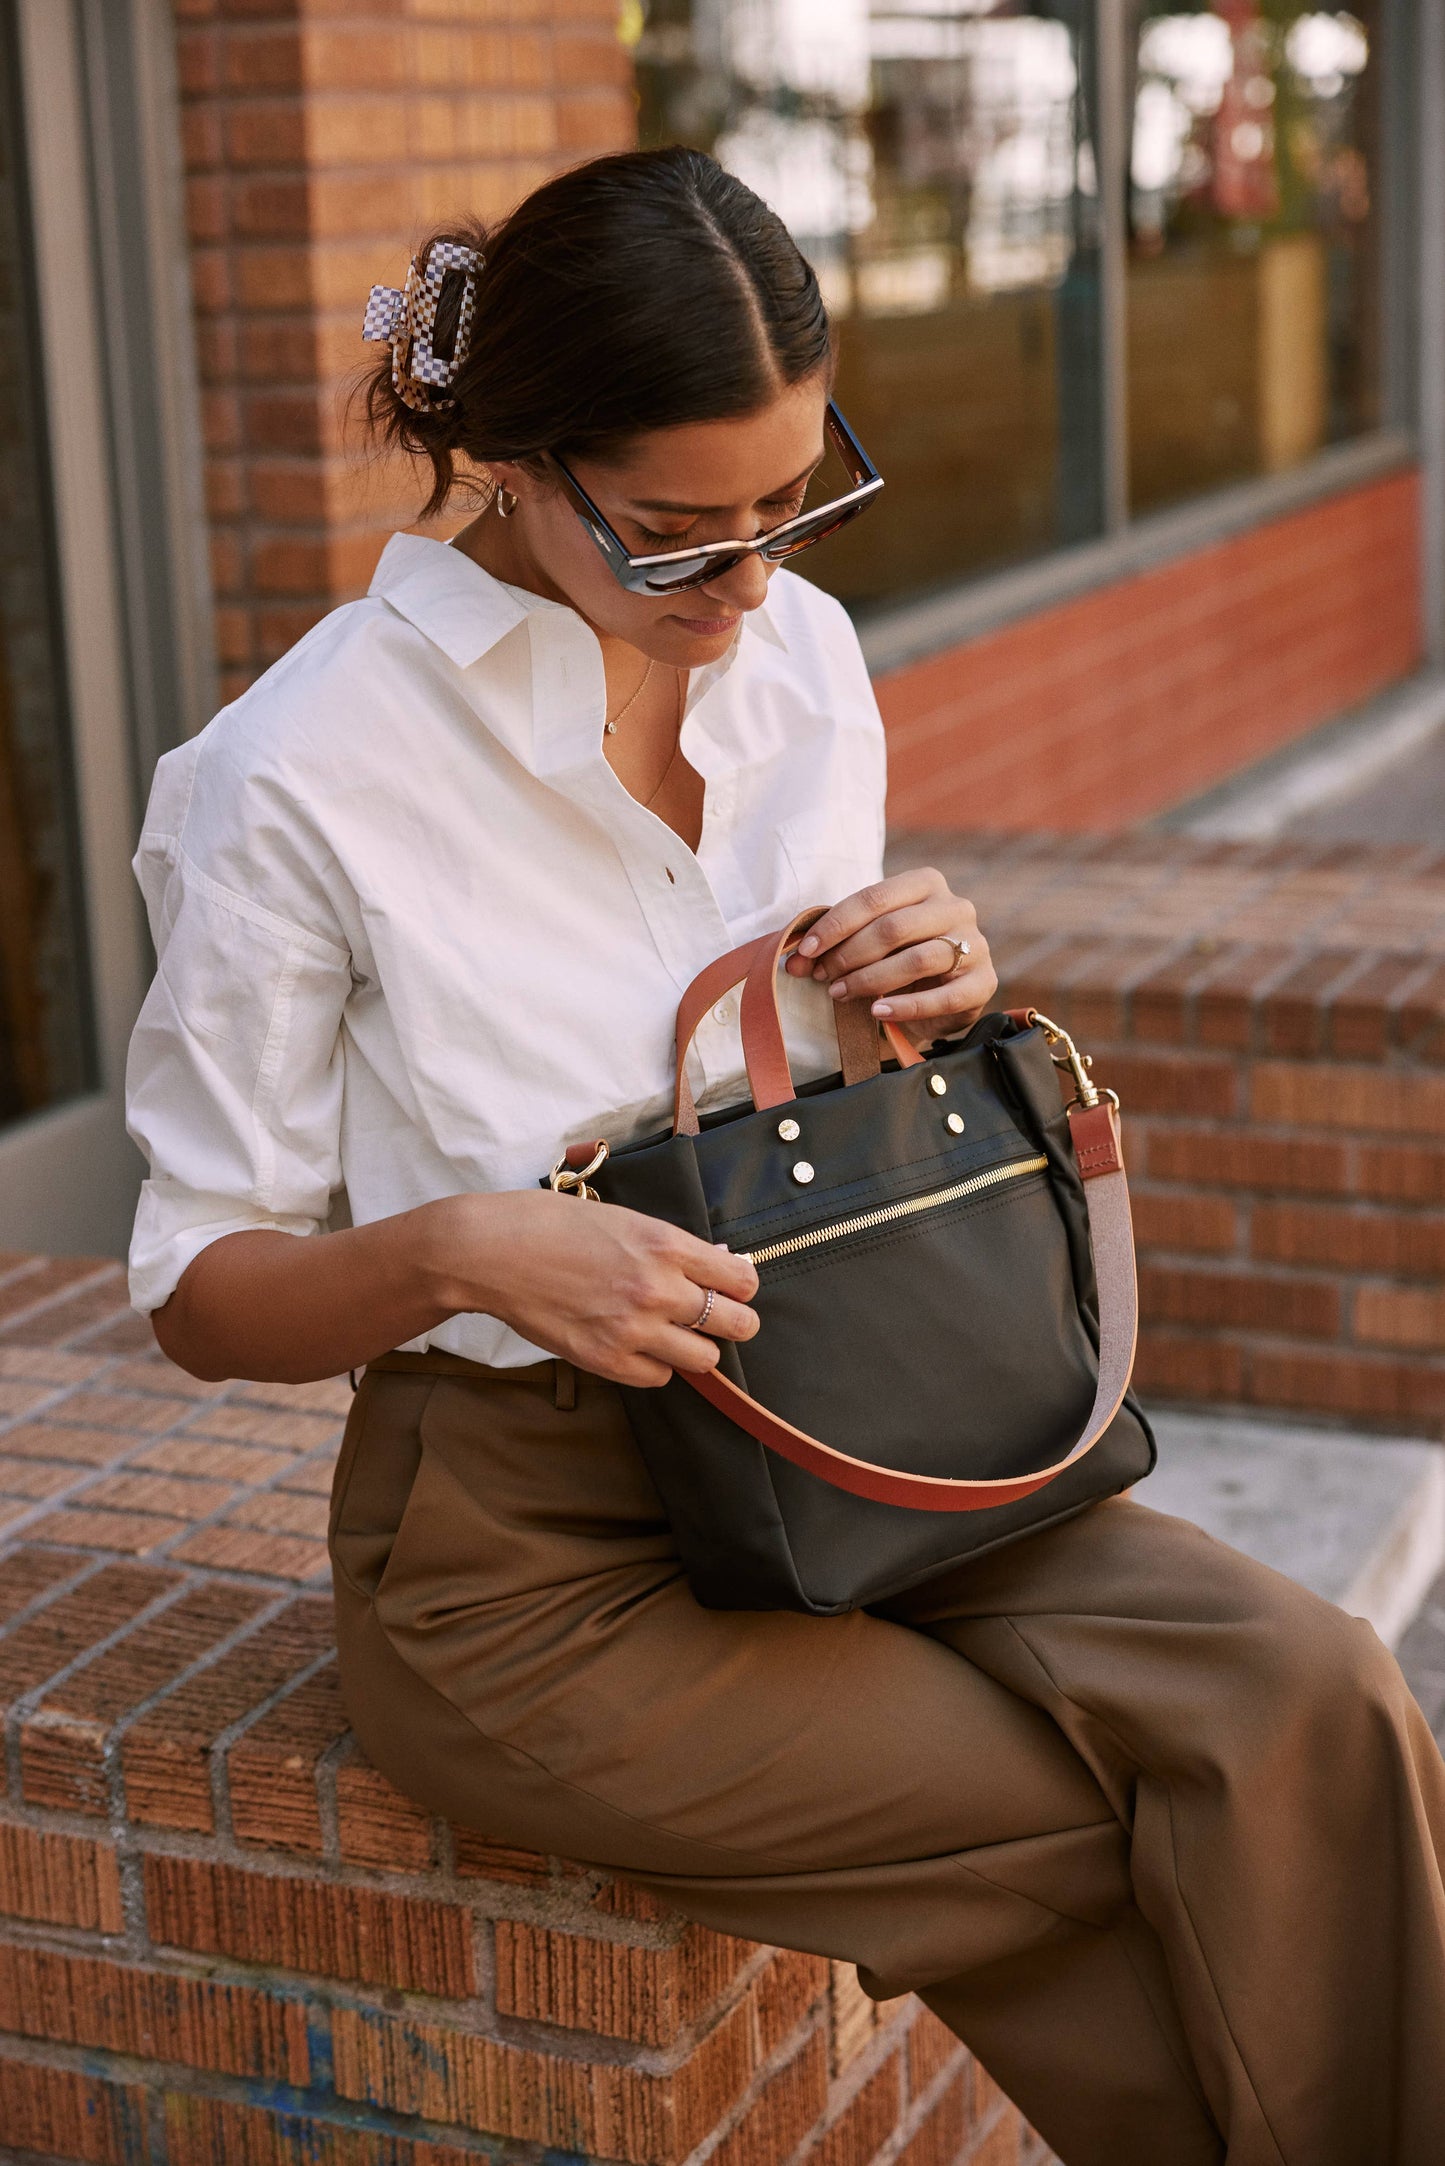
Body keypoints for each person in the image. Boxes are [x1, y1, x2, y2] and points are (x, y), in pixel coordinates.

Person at [126, 147, 1445, 2166]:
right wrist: (468, 1250)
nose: (747, 589)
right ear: (516, 462)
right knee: (1107, 1803)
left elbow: (824, 1087)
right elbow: (199, 1289)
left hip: (864, 1431)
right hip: (533, 1550)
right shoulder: (291, 779)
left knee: (1317, 1697)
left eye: (791, 506)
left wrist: (923, 990)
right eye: (675, 536)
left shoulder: (802, 658)